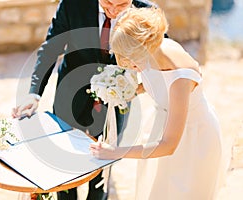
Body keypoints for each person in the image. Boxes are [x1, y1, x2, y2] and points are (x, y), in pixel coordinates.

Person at [12, 0, 158, 199]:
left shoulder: (147, 13)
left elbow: (159, 58)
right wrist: (34, 93)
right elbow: (51, 47)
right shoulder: (73, 4)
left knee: (104, 161)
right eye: (107, 2)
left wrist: (137, 88)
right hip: (71, 92)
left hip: (117, 100)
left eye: (122, 4)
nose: (113, 11)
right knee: (64, 158)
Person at [90, 7, 223, 199]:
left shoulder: (180, 79)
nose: (128, 66)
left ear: (146, 46)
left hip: (191, 141)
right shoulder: (152, 49)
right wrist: (130, 90)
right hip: (162, 129)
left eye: (132, 61)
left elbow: (169, 146)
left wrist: (116, 152)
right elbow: (158, 80)